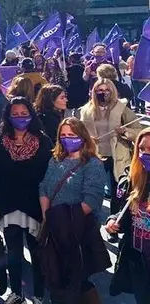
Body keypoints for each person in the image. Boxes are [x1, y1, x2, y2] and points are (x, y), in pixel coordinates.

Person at [0, 97, 52, 304]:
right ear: (8, 116)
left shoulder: (43, 140)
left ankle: (39, 294)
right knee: (12, 252)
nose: (20, 118)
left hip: (35, 206)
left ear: (31, 115)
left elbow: (50, 175)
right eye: (16, 114)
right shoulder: (0, 140)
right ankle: (16, 292)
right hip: (8, 204)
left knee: (37, 253)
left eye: (24, 113)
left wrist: (48, 206)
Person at [38, 117, 110, 304]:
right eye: (63, 135)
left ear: (82, 136)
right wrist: (48, 216)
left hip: (77, 230)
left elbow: (91, 200)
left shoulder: (93, 164)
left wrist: (65, 219)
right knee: (56, 274)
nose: (67, 138)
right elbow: (44, 187)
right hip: (54, 227)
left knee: (76, 277)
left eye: (72, 135)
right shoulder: (56, 160)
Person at [80, 78, 141, 242]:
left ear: (113, 91)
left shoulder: (122, 108)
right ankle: (90, 226)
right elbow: (78, 133)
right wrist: (87, 139)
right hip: (96, 156)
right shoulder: (86, 110)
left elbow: (139, 131)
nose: (103, 93)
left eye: (107, 90)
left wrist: (125, 131)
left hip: (118, 156)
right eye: (100, 90)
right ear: (94, 91)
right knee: (93, 192)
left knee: (117, 192)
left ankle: (113, 226)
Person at [106, 127, 150, 303]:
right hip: (138, 259)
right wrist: (112, 222)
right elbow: (122, 215)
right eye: (142, 148)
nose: (145, 153)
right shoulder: (133, 179)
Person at [127, 43, 147, 113]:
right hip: (133, 78)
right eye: (131, 50)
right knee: (135, 93)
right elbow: (128, 67)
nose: (132, 51)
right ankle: (136, 107)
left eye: (134, 49)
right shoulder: (130, 58)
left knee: (141, 93)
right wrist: (127, 72)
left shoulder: (144, 57)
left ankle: (143, 107)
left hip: (142, 78)